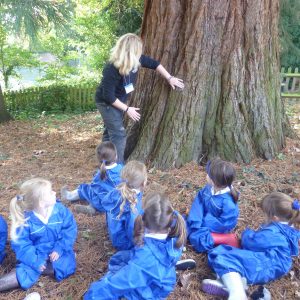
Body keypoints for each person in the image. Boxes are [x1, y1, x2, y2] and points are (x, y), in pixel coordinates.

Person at [95, 33, 185, 163]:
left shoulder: (136, 60)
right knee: (118, 135)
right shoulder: (112, 68)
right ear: (132, 51)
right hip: (107, 103)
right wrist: (127, 109)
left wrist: (169, 77)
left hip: (119, 102)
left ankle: (105, 162)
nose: (140, 52)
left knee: (110, 133)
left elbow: (155, 64)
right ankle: (118, 169)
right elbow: (108, 96)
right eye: (138, 49)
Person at [83, 191, 187, 299]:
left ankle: (158, 269)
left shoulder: (145, 258)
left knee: (117, 277)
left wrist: (93, 295)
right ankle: (162, 267)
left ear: (144, 222)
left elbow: (122, 283)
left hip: (151, 291)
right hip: (161, 277)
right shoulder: (174, 234)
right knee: (122, 258)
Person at [202, 192, 300, 300]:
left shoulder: (274, 232)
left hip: (268, 264)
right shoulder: (287, 229)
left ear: (275, 218)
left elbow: (252, 243)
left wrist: (247, 234)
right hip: (269, 260)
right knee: (220, 252)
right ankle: (228, 284)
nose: (263, 216)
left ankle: (238, 294)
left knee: (227, 259)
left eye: (265, 213)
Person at [0, 178, 77, 292]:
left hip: (56, 252)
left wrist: (59, 248)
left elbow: (69, 230)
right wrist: (34, 260)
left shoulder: (60, 210)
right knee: (23, 271)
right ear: (41, 203)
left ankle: (42, 268)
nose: (55, 193)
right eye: (51, 192)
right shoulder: (25, 220)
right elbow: (22, 245)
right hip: (36, 254)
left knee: (67, 265)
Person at [187, 158, 240, 252]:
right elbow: (199, 200)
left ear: (214, 181)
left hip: (213, 228)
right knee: (181, 223)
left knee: (198, 239)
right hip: (201, 219)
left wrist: (204, 222)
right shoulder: (209, 188)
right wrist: (196, 219)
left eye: (209, 174)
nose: (206, 175)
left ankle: (225, 239)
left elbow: (225, 224)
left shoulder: (228, 203)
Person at [61, 142, 123, 215]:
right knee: (100, 192)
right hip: (117, 203)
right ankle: (91, 208)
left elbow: (94, 187)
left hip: (101, 204)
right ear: (116, 156)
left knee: (86, 188)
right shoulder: (122, 169)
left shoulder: (99, 175)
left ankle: (69, 196)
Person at [102, 160, 147, 250]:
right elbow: (132, 229)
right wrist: (140, 242)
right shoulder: (132, 205)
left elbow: (106, 206)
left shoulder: (117, 190)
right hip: (124, 242)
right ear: (143, 183)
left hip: (115, 234)